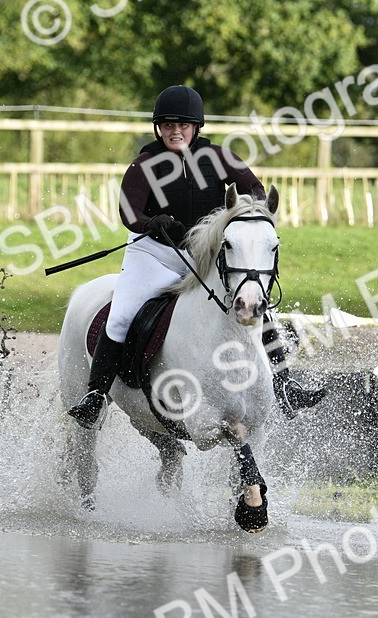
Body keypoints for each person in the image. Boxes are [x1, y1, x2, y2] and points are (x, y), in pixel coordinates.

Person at [67, 85, 327, 427]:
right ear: (158, 128)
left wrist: (249, 210)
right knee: (120, 317)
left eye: (183, 125)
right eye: (168, 125)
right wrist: (150, 223)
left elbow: (255, 189)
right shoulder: (144, 165)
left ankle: (286, 385)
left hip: (201, 257)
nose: (175, 131)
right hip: (154, 255)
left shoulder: (218, 157)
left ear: (196, 127)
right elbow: (129, 212)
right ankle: (96, 395)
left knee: (256, 307)